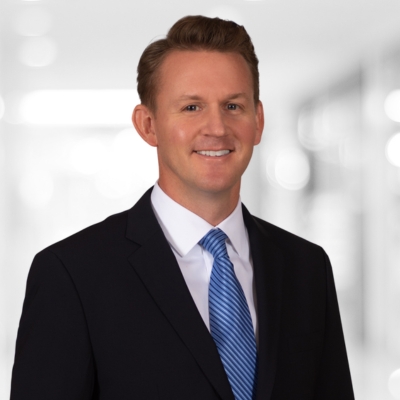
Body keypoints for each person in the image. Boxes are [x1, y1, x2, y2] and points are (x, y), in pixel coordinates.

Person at [10, 15, 354, 400]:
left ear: (258, 121)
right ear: (148, 125)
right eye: (191, 107)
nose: (217, 128)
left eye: (233, 106)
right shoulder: (71, 275)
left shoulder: (307, 267)